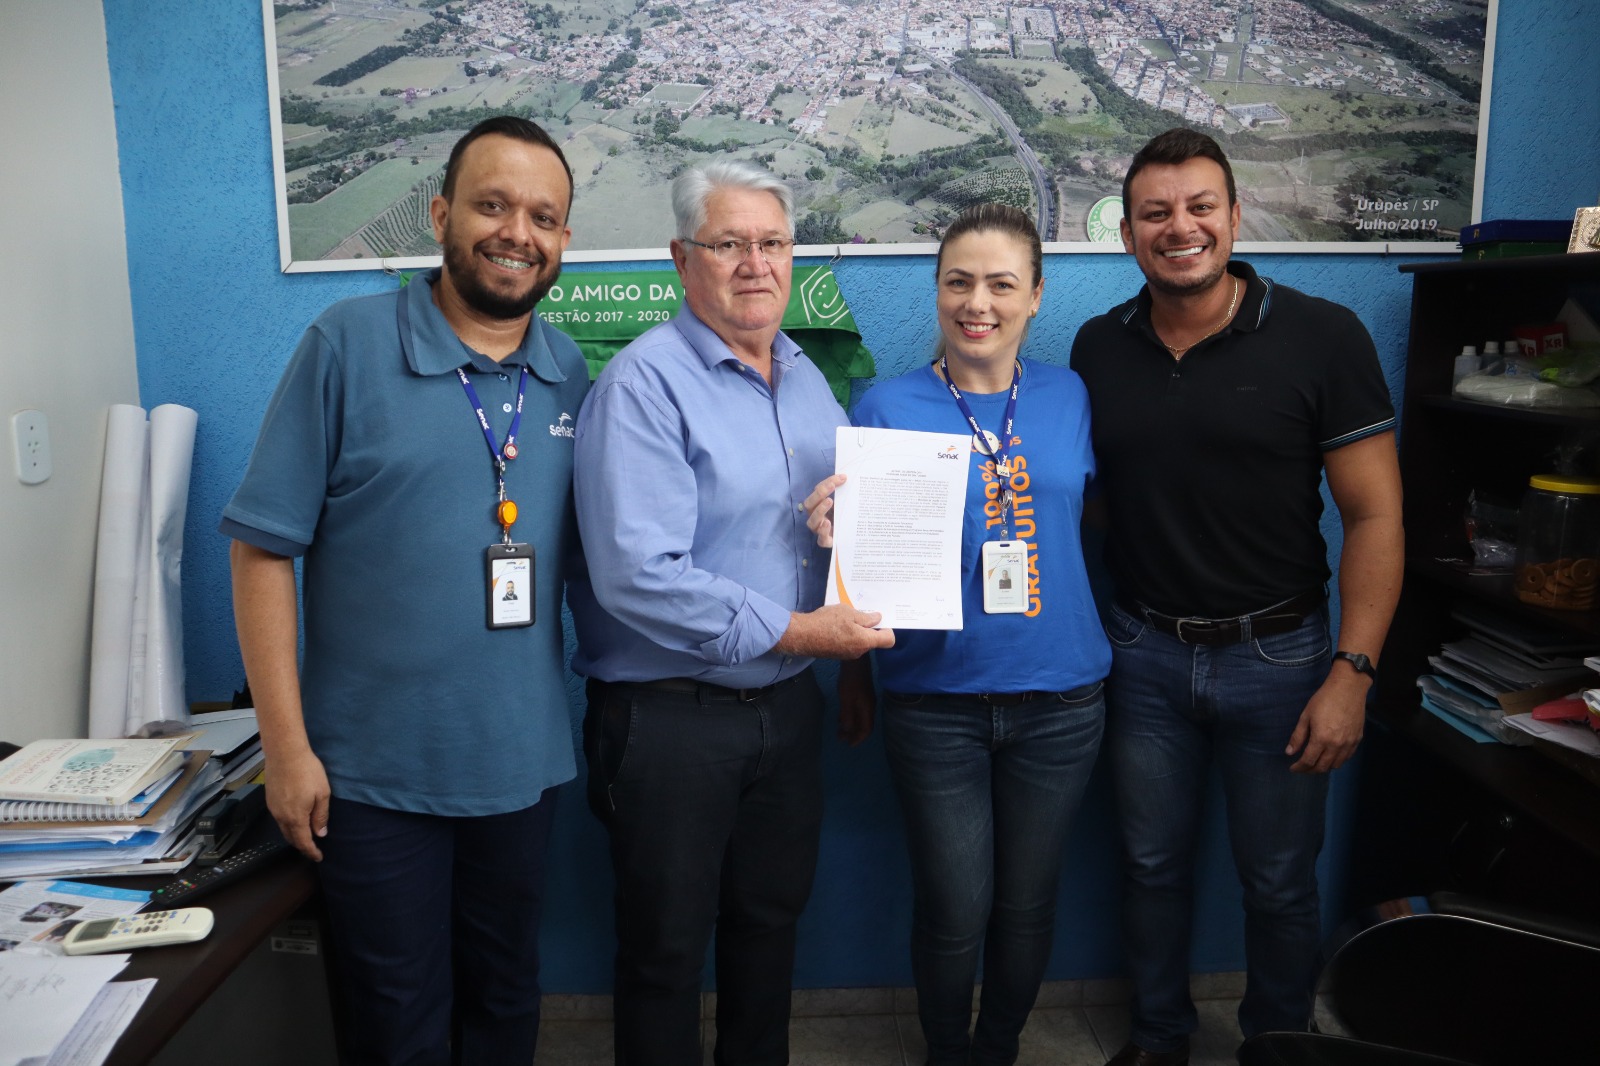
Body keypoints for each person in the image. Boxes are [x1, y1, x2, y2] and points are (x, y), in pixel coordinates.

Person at [224, 116, 586, 1066]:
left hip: (518, 765)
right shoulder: (345, 346)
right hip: (370, 780)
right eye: (493, 205)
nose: (517, 232)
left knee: (507, 1002)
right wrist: (286, 750)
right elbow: (262, 551)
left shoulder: (568, 374)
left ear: (564, 242)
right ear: (440, 214)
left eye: (542, 216)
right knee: (396, 1022)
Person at [1069, 129, 1403, 1066]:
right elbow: (1079, 504)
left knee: (1281, 883)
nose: (1180, 227)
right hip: (1141, 653)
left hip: (1284, 661)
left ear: (1232, 215)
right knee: (1147, 868)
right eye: (1156, 213)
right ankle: (1160, 1039)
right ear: (1129, 234)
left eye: (1199, 206)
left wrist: (1354, 672)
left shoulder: (1325, 336)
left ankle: (1278, 1045)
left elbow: (1376, 518)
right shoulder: (1100, 347)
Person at [568, 160, 894, 1066]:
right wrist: (805, 634)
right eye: (730, 243)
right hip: (671, 722)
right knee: (666, 955)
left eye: (773, 242)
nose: (756, 263)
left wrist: (844, 529)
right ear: (683, 259)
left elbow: (825, 531)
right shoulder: (642, 385)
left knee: (768, 934)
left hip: (787, 713)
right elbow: (637, 574)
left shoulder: (804, 380)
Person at [804, 203, 1109, 1066]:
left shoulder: (1070, 393)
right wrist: (854, 666)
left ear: (1036, 297)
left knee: (1027, 903)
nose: (979, 302)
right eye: (959, 282)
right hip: (933, 701)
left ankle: (999, 1049)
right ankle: (948, 1054)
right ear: (938, 292)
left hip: (1061, 697)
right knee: (953, 904)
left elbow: (1098, 517)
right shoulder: (886, 406)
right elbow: (860, 568)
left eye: (1001, 284)